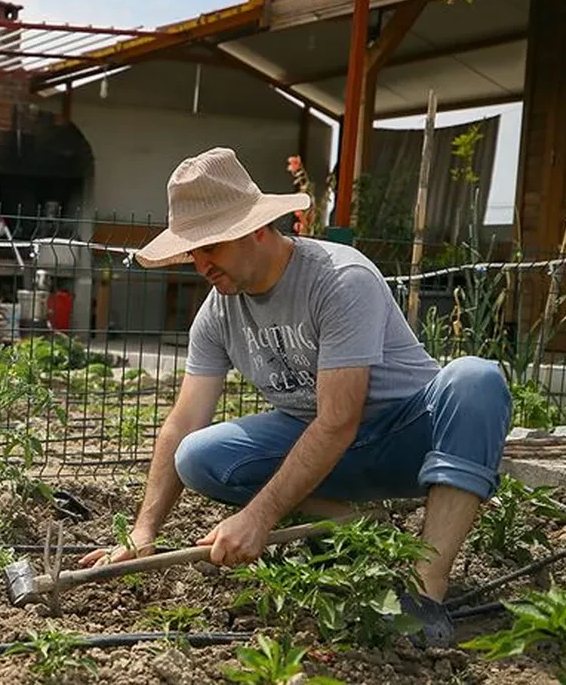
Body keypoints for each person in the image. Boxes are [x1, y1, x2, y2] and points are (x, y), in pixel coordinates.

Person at [78, 147, 511, 647]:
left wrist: (258, 517)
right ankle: (350, 524)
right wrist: (143, 529)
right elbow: (183, 421)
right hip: (329, 453)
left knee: (475, 380)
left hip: (408, 437)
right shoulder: (219, 312)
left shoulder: (338, 279)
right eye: (193, 252)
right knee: (196, 455)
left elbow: (340, 419)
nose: (200, 266)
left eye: (210, 248)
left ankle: (424, 590)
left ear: (256, 228)